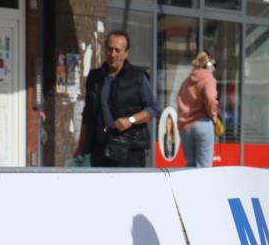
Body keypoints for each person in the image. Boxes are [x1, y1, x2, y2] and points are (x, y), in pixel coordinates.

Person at [75, 31, 158, 167]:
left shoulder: (137, 76)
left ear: (126, 53)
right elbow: (88, 115)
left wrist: (130, 120)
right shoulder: (95, 78)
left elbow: (153, 108)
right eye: (109, 49)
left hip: (129, 150)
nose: (112, 54)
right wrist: (80, 147)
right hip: (100, 149)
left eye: (117, 50)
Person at [176, 51, 222, 168]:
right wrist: (214, 115)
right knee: (204, 167)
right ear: (209, 66)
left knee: (190, 166)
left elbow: (179, 100)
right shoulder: (209, 79)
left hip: (185, 126)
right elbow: (211, 98)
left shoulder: (187, 81)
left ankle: (190, 187)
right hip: (203, 123)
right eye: (214, 66)